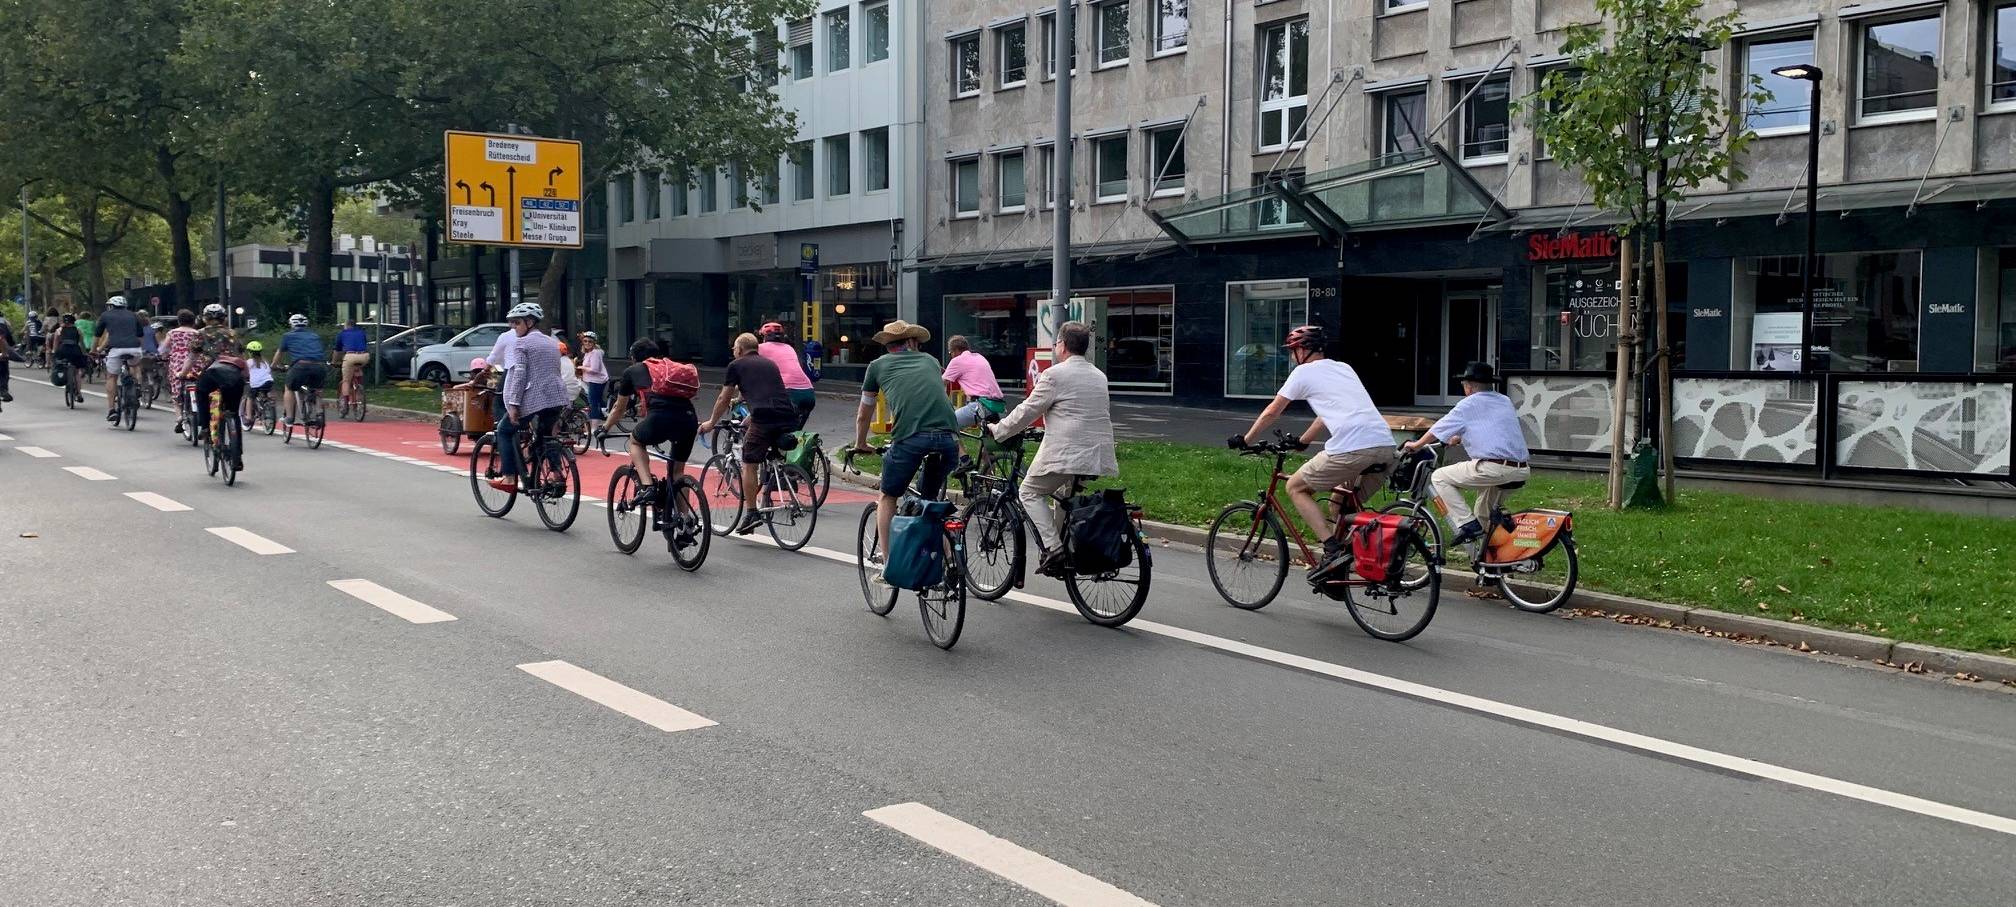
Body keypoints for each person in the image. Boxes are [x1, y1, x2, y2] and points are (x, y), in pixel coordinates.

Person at [1231, 325, 1396, 574]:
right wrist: (1304, 441)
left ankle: (1331, 551)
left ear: (1303, 350)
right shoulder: (1344, 368)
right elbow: (1325, 414)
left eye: (1293, 350)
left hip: (1352, 448)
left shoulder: (1303, 373)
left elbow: (1272, 411)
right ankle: (1354, 562)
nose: (1291, 356)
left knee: (1295, 487)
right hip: (1386, 447)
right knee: (1339, 506)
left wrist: (1246, 439)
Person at [985, 321, 1117, 575]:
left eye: (1056, 343)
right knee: (1064, 500)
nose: (1056, 347)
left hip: (1069, 451)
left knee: (1029, 492)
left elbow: (1028, 410)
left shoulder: (1055, 374)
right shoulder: (1099, 375)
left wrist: (1000, 430)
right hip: (1097, 452)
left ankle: (1054, 549)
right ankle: (1064, 552)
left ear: (1063, 345)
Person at [848, 320, 960, 578]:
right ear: (911, 342)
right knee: (927, 501)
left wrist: (860, 443)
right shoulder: (931, 361)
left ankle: (890, 566)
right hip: (948, 439)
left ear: (887, 344)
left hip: (910, 437)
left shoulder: (877, 366)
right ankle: (951, 559)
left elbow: (864, 413)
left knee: (888, 497)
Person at [1406, 362, 1530, 546]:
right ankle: (1493, 559)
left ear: (1469, 387)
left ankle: (1466, 524)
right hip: (1520, 469)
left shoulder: (1468, 404)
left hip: (1494, 468)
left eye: (1464, 385)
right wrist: (1461, 438)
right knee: (1483, 513)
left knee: (1438, 477)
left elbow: (1439, 427)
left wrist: (1416, 444)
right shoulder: (1504, 400)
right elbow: (1493, 430)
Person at [701, 332, 803, 535]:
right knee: (769, 451)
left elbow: (724, 398)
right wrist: (750, 418)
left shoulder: (736, 366)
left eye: (734, 349)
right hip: (787, 414)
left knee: (749, 463)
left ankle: (752, 513)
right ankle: (779, 476)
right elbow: (766, 394)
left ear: (739, 349)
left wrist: (711, 422)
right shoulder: (770, 364)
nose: (733, 352)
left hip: (764, 417)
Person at [600, 339, 701, 506]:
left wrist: (605, 428)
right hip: (688, 418)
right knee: (678, 473)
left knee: (636, 441)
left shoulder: (633, 370)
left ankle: (648, 487)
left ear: (634, 357)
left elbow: (619, 407)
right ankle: (685, 522)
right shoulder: (670, 369)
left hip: (660, 418)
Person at [494, 302, 570, 493]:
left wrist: (513, 405)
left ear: (529, 322)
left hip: (535, 398)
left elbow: (520, 376)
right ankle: (556, 474)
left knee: (504, 430)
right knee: (546, 438)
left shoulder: (522, 344)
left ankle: (509, 476)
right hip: (557, 396)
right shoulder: (552, 343)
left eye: (517, 323)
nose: (513, 327)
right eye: (511, 323)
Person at [194, 339, 249, 469]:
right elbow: (245, 366)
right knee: (233, 414)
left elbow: (192, 357)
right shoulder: (234, 336)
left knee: (200, 392)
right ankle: (237, 457)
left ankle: (205, 427)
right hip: (235, 376)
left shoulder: (202, 335)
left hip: (213, 374)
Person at [92, 295, 146, 422]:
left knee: (112, 377)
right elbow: (141, 336)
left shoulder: (105, 315)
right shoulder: (134, 315)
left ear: (111, 306)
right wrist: (140, 350)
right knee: (134, 365)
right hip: (135, 349)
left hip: (116, 349)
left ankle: (111, 410)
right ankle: (136, 387)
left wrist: (93, 350)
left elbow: (97, 335)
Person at [754, 322, 817, 429]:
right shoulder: (789, 348)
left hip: (789, 392)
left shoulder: (760, 348)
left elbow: (751, 371)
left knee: (767, 424)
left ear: (763, 336)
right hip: (809, 392)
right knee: (793, 434)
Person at [272, 313, 329, 430]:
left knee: (289, 388)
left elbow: (279, 353)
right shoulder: (315, 336)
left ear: (292, 325)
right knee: (317, 390)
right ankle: (319, 415)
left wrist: (273, 365)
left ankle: (289, 417)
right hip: (319, 366)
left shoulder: (288, 336)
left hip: (301, 366)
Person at [942, 334, 1007, 428]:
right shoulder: (979, 357)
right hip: (999, 406)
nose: (951, 356)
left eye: (950, 353)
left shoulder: (957, 361)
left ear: (955, 350)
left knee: (946, 423)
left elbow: (940, 384)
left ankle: (955, 443)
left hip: (981, 406)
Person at [163, 310, 200, 433]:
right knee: (198, 384)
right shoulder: (197, 333)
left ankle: (179, 418)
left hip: (178, 363)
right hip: (195, 362)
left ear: (179, 321)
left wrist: (163, 355)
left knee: (176, 390)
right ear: (193, 321)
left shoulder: (172, 333)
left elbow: (164, 348)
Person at [577, 332, 609, 436]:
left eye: (590, 341)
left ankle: (594, 428)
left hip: (596, 381)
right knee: (598, 402)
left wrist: (581, 368)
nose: (587, 343)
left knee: (593, 404)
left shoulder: (595, 352)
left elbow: (595, 369)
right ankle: (607, 416)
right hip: (594, 380)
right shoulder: (588, 352)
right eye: (585, 341)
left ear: (594, 342)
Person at [50, 314, 89, 392]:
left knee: (60, 364)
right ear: (73, 322)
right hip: (75, 350)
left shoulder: (59, 330)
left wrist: (54, 352)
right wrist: (84, 353)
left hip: (63, 350)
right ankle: (78, 393)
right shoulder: (78, 330)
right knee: (77, 372)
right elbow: (82, 344)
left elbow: (55, 344)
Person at [335, 318, 370, 402]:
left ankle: (345, 402)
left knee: (346, 380)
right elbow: (364, 344)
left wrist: (334, 361)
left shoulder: (342, 334)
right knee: (357, 368)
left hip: (350, 356)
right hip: (364, 356)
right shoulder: (361, 332)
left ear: (346, 325)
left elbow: (337, 350)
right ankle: (359, 387)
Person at [244, 341, 275, 420]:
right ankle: (267, 402)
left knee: (250, 398)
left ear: (250, 353)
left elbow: (244, 373)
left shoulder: (249, 362)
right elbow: (268, 371)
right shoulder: (265, 362)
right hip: (269, 381)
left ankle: (249, 417)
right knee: (264, 393)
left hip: (256, 384)